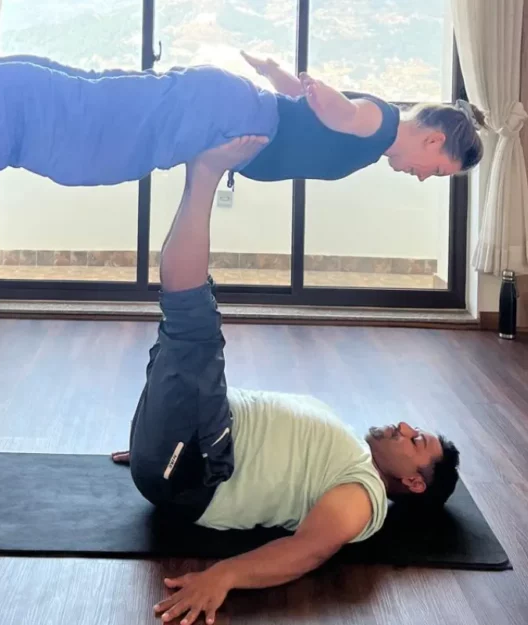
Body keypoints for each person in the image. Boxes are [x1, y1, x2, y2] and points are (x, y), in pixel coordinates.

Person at [110, 135, 460, 625]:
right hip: (185, 442)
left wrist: (223, 576)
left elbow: (308, 550)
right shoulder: (348, 450)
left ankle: (206, 170)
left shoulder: (362, 493)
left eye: (415, 440)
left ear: (413, 483)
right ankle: (204, 171)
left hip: (194, 467)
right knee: (186, 323)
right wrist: (158, 436)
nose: (403, 426)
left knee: (191, 320)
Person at [0, 51, 487, 187]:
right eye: (438, 170)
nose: (425, 178)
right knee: (88, 137)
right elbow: (330, 108)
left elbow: (307, 105)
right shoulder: (378, 126)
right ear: (434, 138)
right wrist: (312, 90)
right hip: (222, 112)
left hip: (223, 107)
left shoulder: (374, 133)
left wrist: (276, 74)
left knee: (92, 102)